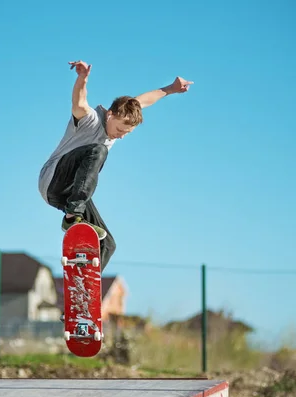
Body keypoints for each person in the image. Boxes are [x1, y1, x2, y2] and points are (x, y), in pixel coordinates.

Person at [38, 60, 193, 272]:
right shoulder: (90, 119)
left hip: (72, 194)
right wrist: (82, 78)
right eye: (120, 130)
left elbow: (144, 100)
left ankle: (84, 287)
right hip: (54, 179)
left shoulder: (124, 112)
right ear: (110, 114)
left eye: (126, 134)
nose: (120, 137)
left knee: (107, 243)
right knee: (98, 150)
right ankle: (73, 215)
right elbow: (79, 103)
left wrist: (171, 89)